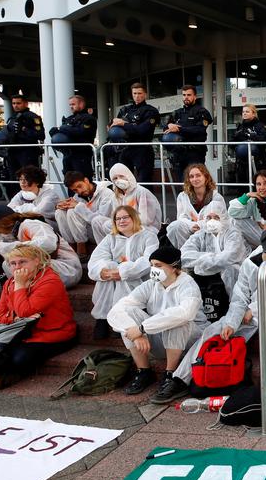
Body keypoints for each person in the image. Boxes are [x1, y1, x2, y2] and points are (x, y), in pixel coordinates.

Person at [0, 244, 76, 393]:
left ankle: (8, 377)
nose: (17, 267)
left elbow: (25, 311)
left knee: (20, 357)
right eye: (13, 263)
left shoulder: (50, 281)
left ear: (37, 261)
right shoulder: (9, 282)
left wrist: (20, 286)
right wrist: (15, 318)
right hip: (18, 331)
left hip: (52, 334)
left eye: (22, 262)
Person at [179, 227, 266, 374]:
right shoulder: (249, 264)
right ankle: (182, 375)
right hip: (252, 315)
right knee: (215, 329)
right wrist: (231, 324)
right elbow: (239, 297)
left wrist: (253, 310)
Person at [109, 243, 206, 401]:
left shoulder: (188, 285)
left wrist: (142, 328)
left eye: (158, 265)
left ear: (174, 267)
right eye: (152, 265)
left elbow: (185, 313)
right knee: (129, 313)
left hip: (189, 342)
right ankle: (144, 371)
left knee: (177, 320)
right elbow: (116, 310)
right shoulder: (150, 285)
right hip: (160, 340)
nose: (153, 269)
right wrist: (136, 333)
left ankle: (171, 375)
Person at [87, 205, 159, 340]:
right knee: (107, 266)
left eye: (125, 217)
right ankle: (103, 317)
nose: (121, 221)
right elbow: (95, 260)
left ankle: (121, 319)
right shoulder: (111, 238)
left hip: (141, 281)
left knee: (125, 273)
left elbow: (149, 261)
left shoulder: (149, 236)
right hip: (113, 282)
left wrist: (123, 271)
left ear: (134, 218)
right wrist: (104, 273)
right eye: (117, 219)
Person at [0, 209, 83, 289]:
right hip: (50, 270)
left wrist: (16, 246)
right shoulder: (13, 233)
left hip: (67, 269)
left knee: (14, 263)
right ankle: (22, 290)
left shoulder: (30, 224)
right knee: (9, 264)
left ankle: (23, 290)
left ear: (3, 224)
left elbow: (49, 244)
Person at [180, 206, 247, 298]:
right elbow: (184, 254)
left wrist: (201, 264)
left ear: (223, 218)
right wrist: (209, 259)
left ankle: (233, 301)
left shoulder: (232, 233)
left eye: (216, 218)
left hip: (231, 273)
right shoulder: (201, 234)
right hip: (208, 277)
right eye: (209, 218)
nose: (212, 221)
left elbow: (228, 257)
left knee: (230, 269)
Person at [93, 162, 163, 241]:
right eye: (115, 178)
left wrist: (124, 223)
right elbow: (115, 216)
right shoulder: (116, 196)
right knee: (98, 221)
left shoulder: (141, 192)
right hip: (125, 225)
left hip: (145, 228)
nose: (119, 180)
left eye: (121, 176)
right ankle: (108, 249)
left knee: (112, 226)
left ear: (128, 175)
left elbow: (146, 220)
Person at [105, 82, 160, 183]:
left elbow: (142, 130)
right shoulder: (125, 110)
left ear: (145, 94)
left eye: (139, 93)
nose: (137, 96)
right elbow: (112, 126)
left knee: (144, 182)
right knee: (124, 182)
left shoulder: (151, 111)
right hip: (125, 149)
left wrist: (124, 124)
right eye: (134, 93)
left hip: (142, 149)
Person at [55, 171, 116, 253]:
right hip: (87, 233)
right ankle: (71, 245)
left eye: (79, 186)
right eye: (75, 190)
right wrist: (61, 206)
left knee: (73, 211)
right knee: (60, 212)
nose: (79, 191)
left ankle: (81, 247)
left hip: (103, 232)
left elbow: (100, 220)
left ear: (86, 180)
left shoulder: (106, 193)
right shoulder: (78, 196)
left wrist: (78, 206)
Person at [166, 163, 225, 248]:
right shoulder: (183, 196)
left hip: (210, 231)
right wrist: (191, 225)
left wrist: (200, 225)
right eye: (191, 176)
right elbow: (181, 217)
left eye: (198, 175)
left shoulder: (216, 197)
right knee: (175, 226)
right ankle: (184, 253)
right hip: (190, 228)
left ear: (206, 177)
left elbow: (220, 220)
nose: (195, 179)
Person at [161, 84, 212, 183]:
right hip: (179, 154)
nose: (186, 97)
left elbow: (199, 130)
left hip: (195, 153)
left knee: (197, 184)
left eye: (189, 95)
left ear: (195, 96)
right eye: (184, 95)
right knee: (182, 185)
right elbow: (165, 128)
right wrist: (169, 126)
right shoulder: (177, 113)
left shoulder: (201, 112)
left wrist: (179, 129)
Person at [0, 94, 45, 188]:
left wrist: (24, 129)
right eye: (13, 103)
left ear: (25, 103)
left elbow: (40, 135)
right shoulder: (12, 117)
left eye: (18, 103)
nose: (15, 105)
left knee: (29, 177)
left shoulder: (32, 117)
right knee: (14, 179)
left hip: (27, 152)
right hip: (13, 151)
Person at [49, 93, 97, 180]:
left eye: (73, 104)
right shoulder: (69, 118)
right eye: (70, 105)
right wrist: (55, 132)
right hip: (68, 154)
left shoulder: (88, 118)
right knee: (69, 181)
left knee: (82, 179)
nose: (71, 107)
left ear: (81, 104)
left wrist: (63, 128)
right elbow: (64, 134)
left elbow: (81, 132)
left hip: (81, 154)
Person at [230, 104, 266, 191]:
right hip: (242, 164)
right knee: (242, 189)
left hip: (258, 163)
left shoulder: (259, 126)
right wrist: (237, 138)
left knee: (258, 188)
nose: (244, 113)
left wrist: (253, 136)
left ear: (253, 113)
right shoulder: (240, 127)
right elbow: (231, 144)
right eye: (243, 112)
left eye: (247, 111)